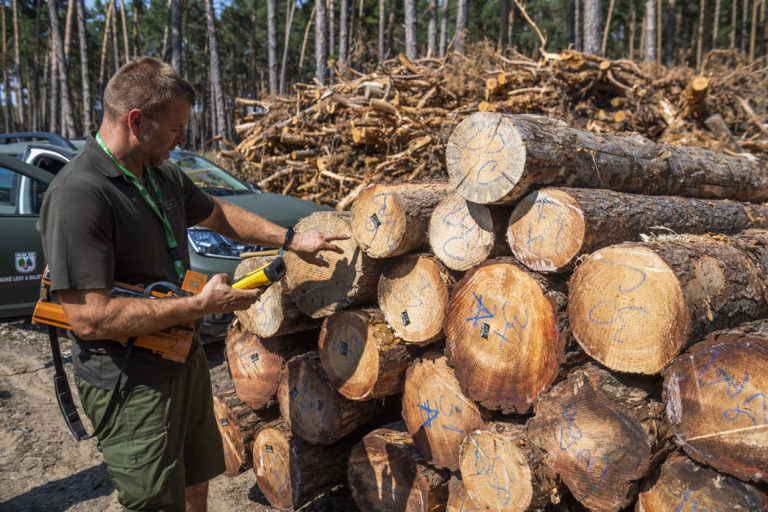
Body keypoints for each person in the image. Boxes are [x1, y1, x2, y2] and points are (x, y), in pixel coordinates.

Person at [39, 56, 347, 512]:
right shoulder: (79, 195)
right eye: (175, 128)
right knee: (154, 500)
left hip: (181, 357)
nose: (183, 139)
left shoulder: (158, 173)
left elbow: (217, 214)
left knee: (196, 475)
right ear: (136, 120)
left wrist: (291, 238)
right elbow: (89, 318)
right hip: (130, 380)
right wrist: (199, 306)